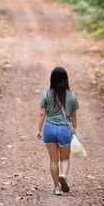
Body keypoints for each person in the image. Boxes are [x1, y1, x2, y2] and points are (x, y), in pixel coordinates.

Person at [35, 67, 79, 195]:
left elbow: (42, 114)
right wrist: (74, 130)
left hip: (49, 128)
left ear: (52, 79)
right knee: (64, 159)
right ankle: (63, 175)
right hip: (64, 129)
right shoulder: (71, 96)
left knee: (53, 160)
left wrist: (39, 130)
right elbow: (74, 116)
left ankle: (57, 188)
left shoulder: (47, 94)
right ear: (66, 79)